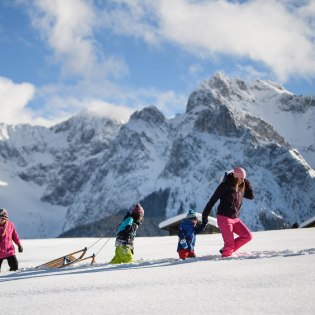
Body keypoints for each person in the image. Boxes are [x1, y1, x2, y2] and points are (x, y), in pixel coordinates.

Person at [202, 167, 254, 257]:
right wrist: (204, 215)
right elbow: (212, 200)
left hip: (235, 218)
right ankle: (226, 256)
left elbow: (251, 196)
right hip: (224, 218)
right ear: (235, 176)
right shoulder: (225, 186)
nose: (243, 180)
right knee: (229, 245)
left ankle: (226, 250)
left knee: (247, 236)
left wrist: (247, 182)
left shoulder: (240, 187)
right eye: (241, 178)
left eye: (244, 178)